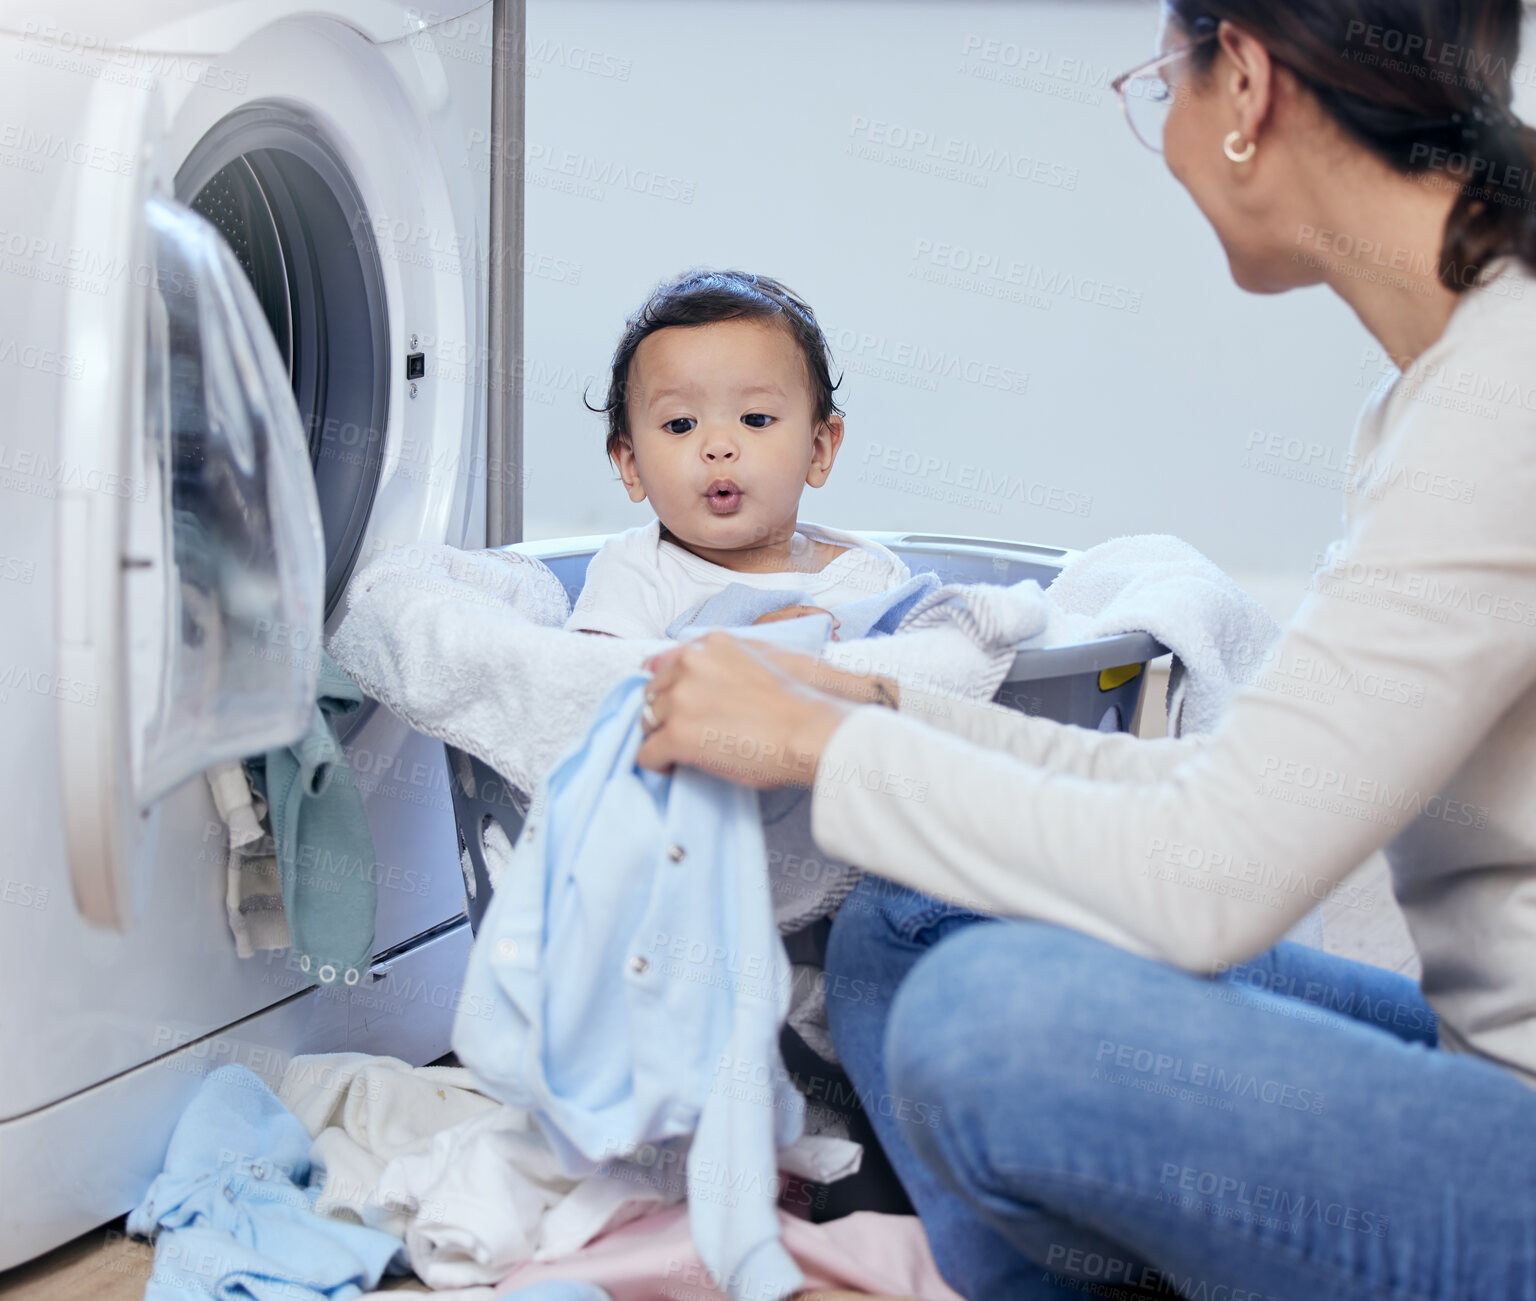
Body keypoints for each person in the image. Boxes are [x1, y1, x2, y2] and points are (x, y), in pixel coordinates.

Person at [631, 1, 1536, 1297]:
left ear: (1248, 84)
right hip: (1481, 1080)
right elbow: (1219, 805)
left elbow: (1208, 879)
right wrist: (877, 706)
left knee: (993, 1028)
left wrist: (818, 742)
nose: (1164, 135)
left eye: (1161, 84)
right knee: (914, 915)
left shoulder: (1505, 402)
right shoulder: (1438, 394)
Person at [565, 269, 910, 639]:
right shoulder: (636, 574)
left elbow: (917, 675)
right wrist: (744, 654)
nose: (718, 448)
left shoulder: (869, 575)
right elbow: (600, 680)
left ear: (818, 450)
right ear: (631, 466)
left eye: (755, 419)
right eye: (681, 424)